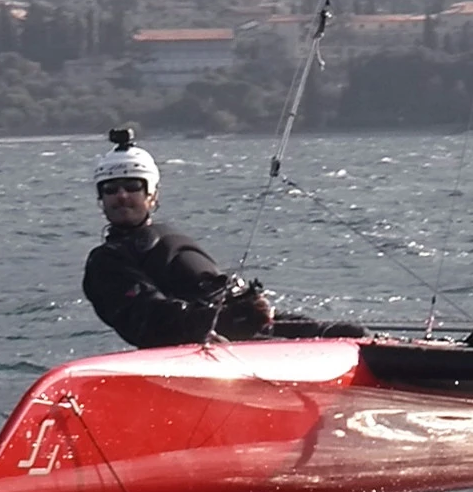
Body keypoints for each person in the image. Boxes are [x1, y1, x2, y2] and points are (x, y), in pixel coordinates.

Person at [83, 129, 365, 348]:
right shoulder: (106, 263)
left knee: (350, 335)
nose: (121, 195)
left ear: (152, 194)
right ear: (100, 199)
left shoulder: (169, 237)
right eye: (110, 189)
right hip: (204, 343)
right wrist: (223, 321)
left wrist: (253, 311)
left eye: (133, 186)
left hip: (243, 328)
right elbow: (149, 319)